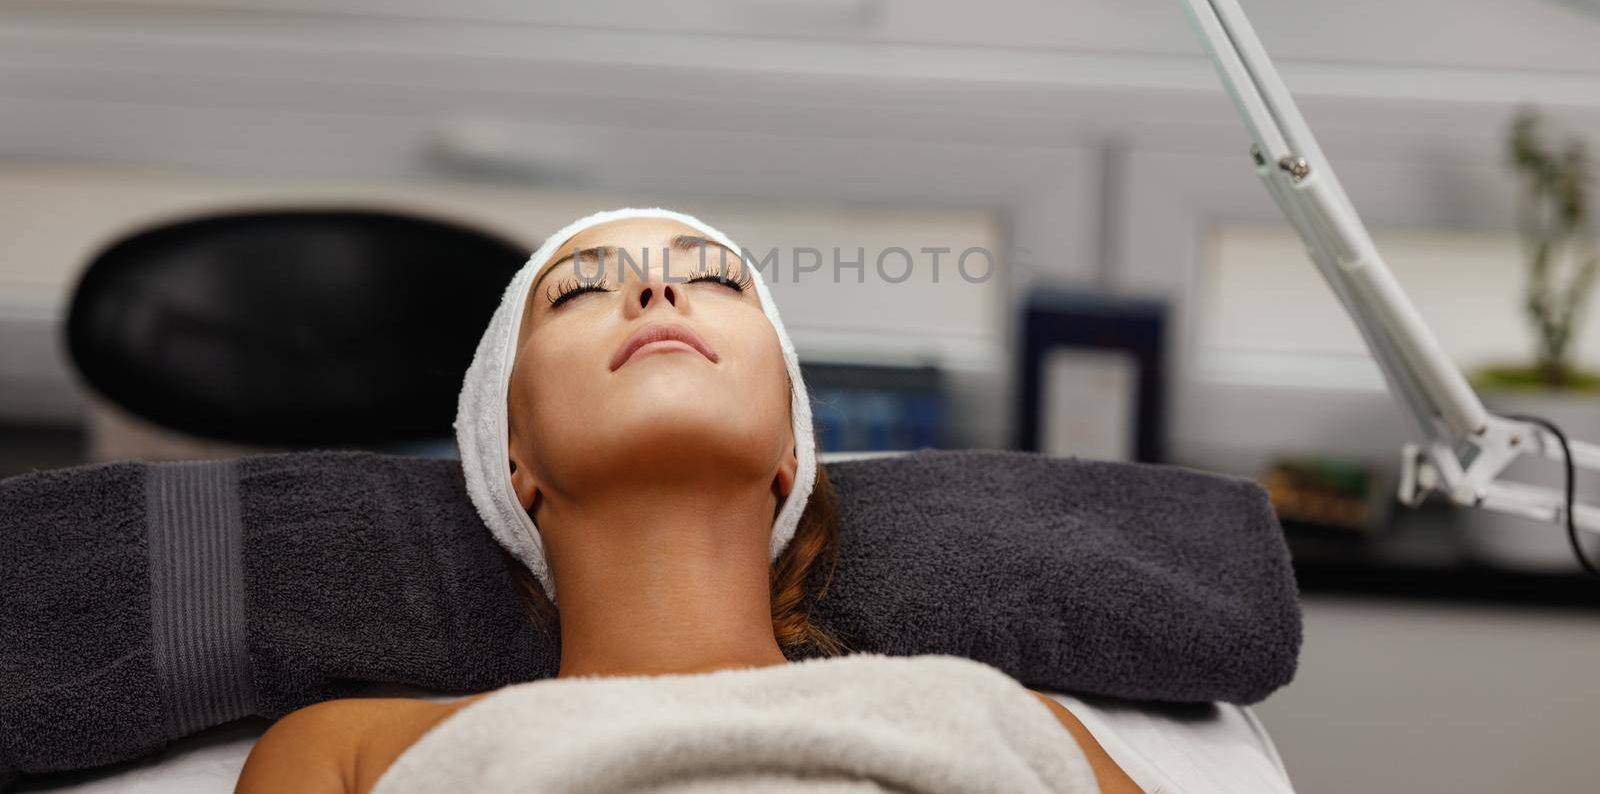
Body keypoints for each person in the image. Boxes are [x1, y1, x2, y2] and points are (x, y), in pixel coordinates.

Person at [234, 213, 1140, 793]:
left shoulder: (993, 715)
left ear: (793, 446)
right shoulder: (347, 754)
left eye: (716, 280)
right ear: (513, 458)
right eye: (582, 289)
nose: (655, 290)